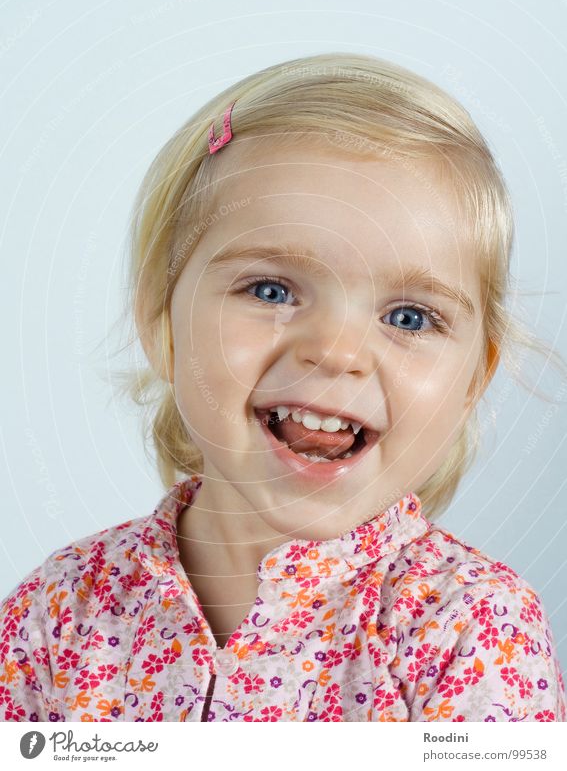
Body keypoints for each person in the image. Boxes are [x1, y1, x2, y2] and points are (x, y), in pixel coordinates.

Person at [1, 52, 566, 723]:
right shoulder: (60, 610)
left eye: (408, 317)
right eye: (271, 290)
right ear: (159, 319)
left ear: (474, 378)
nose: (335, 350)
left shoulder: (471, 627)